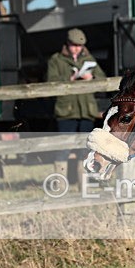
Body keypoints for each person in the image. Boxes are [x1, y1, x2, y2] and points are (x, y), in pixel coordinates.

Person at [47, 28, 106, 182]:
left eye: (79, 46)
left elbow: (102, 78)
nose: (77, 48)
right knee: (63, 149)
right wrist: (70, 77)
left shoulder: (89, 58)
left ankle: (84, 185)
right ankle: (59, 185)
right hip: (66, 111)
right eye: (74, 45)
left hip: (86, 111)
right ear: (67, 44)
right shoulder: (56, 60)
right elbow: (50, 81)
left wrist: (91, 77)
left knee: (85, 151)